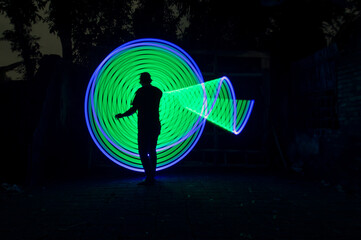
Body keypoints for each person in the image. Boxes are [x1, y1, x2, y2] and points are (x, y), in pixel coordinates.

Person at [115, 72, 162, 185]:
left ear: (141, 81)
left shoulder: (140, 92)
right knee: (152, 150)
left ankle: (149, 176)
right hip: (155, 124)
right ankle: (152, 176)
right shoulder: (158, 91)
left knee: (142, 151)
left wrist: (122, 115)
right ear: (150, 80)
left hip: (144, 125)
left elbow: (133, 109)